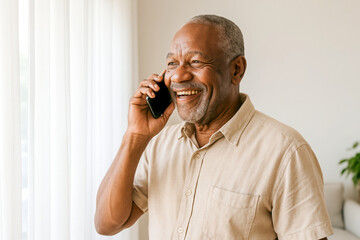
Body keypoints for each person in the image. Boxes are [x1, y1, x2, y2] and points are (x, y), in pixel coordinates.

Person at [95, 14, 333, 239]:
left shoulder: (286, 151)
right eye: (171, 63)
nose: (178, 76)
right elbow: (107, 224)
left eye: (195, 62)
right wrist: (135, 136)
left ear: (236, 70)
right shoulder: (160, 143)